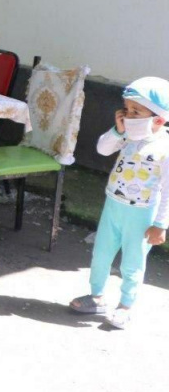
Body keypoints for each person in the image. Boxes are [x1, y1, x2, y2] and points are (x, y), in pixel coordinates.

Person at [70, 78, 169, 329]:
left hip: (142, 214)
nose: (128, 115)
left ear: (158, 119)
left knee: (132, 262)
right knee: (101, 253)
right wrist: (118, 130)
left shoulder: (164, 148)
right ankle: (97, 296)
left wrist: (160, 224)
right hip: (113, 205)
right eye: (126, 109)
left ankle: (125, 306)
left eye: (136, 112)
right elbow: (103, 149)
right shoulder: (127, 136)